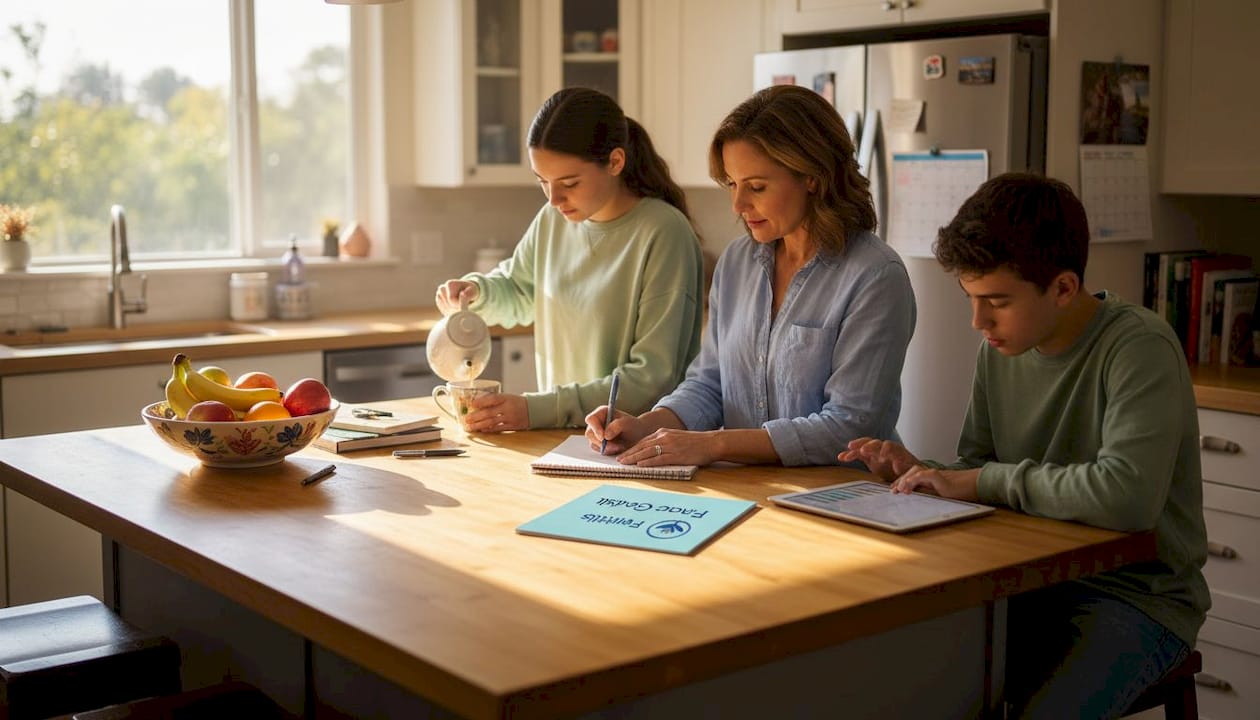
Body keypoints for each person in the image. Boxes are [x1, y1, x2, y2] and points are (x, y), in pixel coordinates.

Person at [839, 173, 1209, 719]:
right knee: (897, 677)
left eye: (997, 301)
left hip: (1138, 598)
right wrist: (925, 471)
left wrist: (976, 480)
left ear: (1062, 288)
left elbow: (1127, 496)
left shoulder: (1140, 347)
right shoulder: (1003, 347)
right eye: (970, 298)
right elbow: (978, 468)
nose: (978, 321)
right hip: (1030, 582)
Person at [585, 85, 915, 467]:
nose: (738, 205)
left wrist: (714, 445)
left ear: (812, 176)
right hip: (752, 491)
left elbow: (848, 426)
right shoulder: (737, 262)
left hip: (842, 496)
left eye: (756, 187)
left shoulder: (875, 277)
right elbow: (709, 384)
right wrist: (646, 426)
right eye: (732, 184)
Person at [435, 87, 704, 431]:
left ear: (615, 162)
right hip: (563, 439)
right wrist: (477, 292)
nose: (554, 198)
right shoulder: (552, 220)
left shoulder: (664, 233)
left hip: (635, 444)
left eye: (569, 182)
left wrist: (536, 410)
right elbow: (520, 291)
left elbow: (652, 378)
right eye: (542, 181)